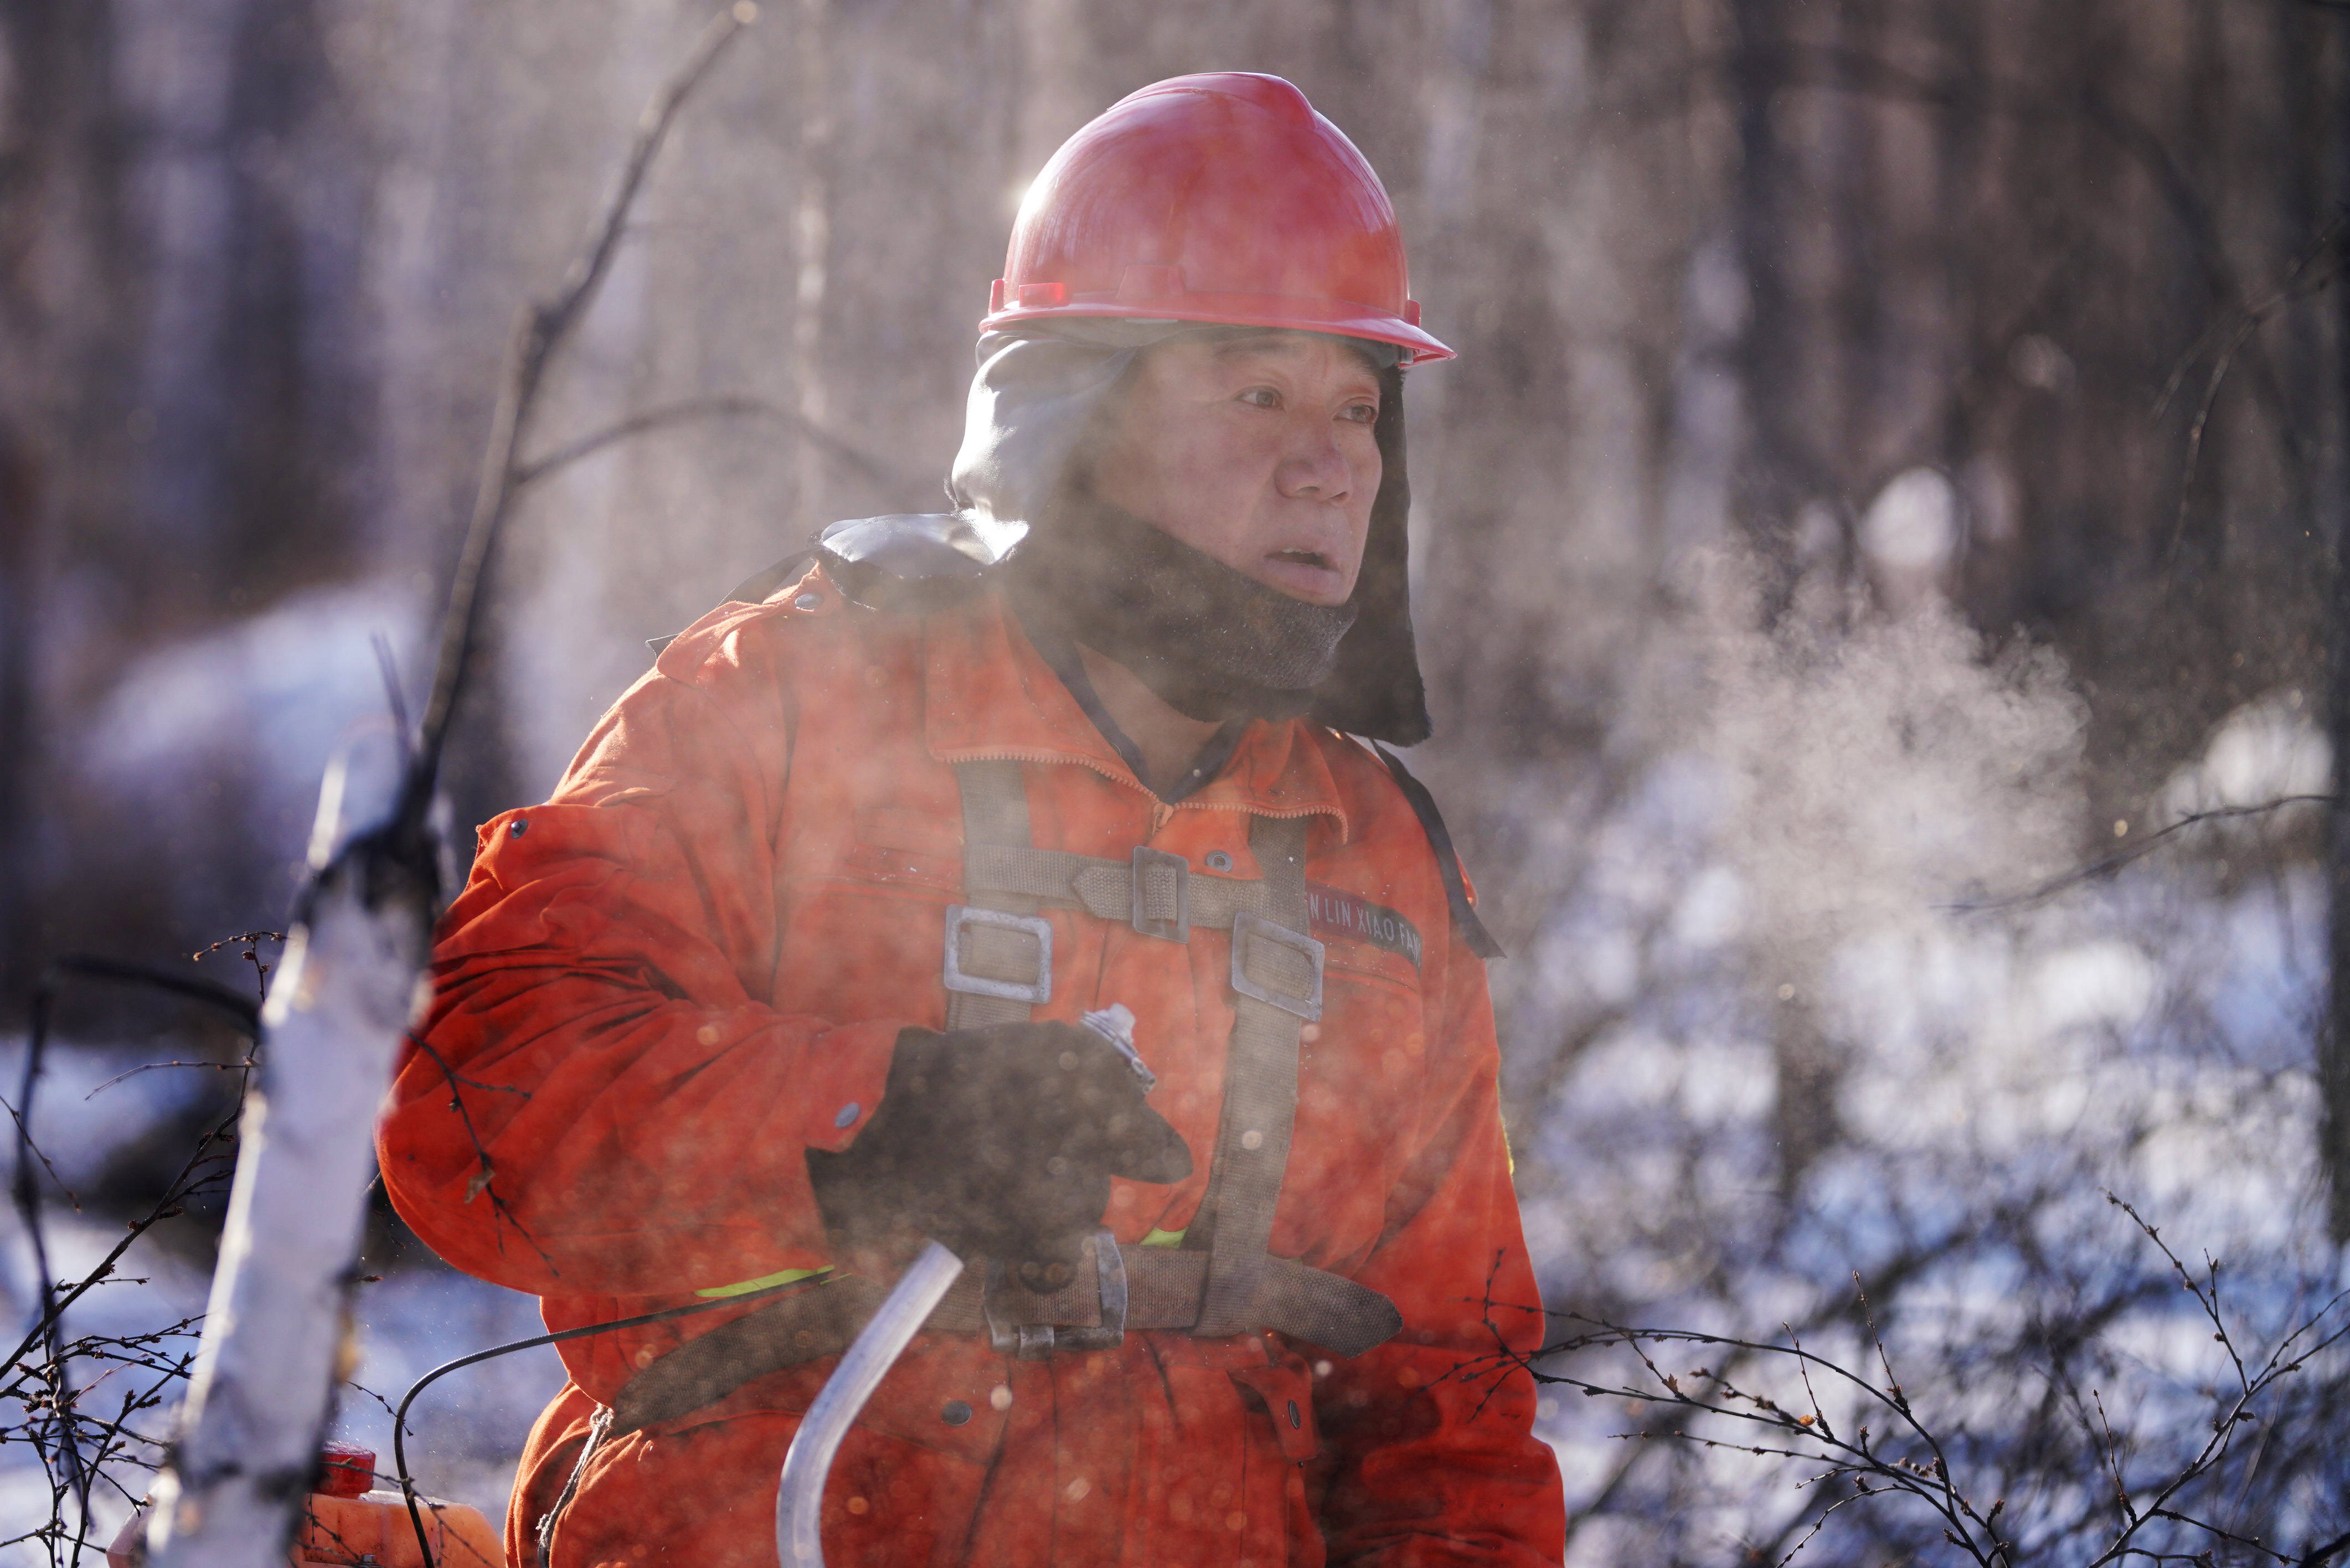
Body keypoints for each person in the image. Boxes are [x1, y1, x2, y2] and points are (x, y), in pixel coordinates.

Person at [380, 71, 1566, 1567]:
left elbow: (1446, 1414)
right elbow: (473, 1103)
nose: (1326, 459)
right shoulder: (793, 701)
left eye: (1355, 401)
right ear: (1069, 416)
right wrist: (877, 1127)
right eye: (1254, 388)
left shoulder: (1370, 848)